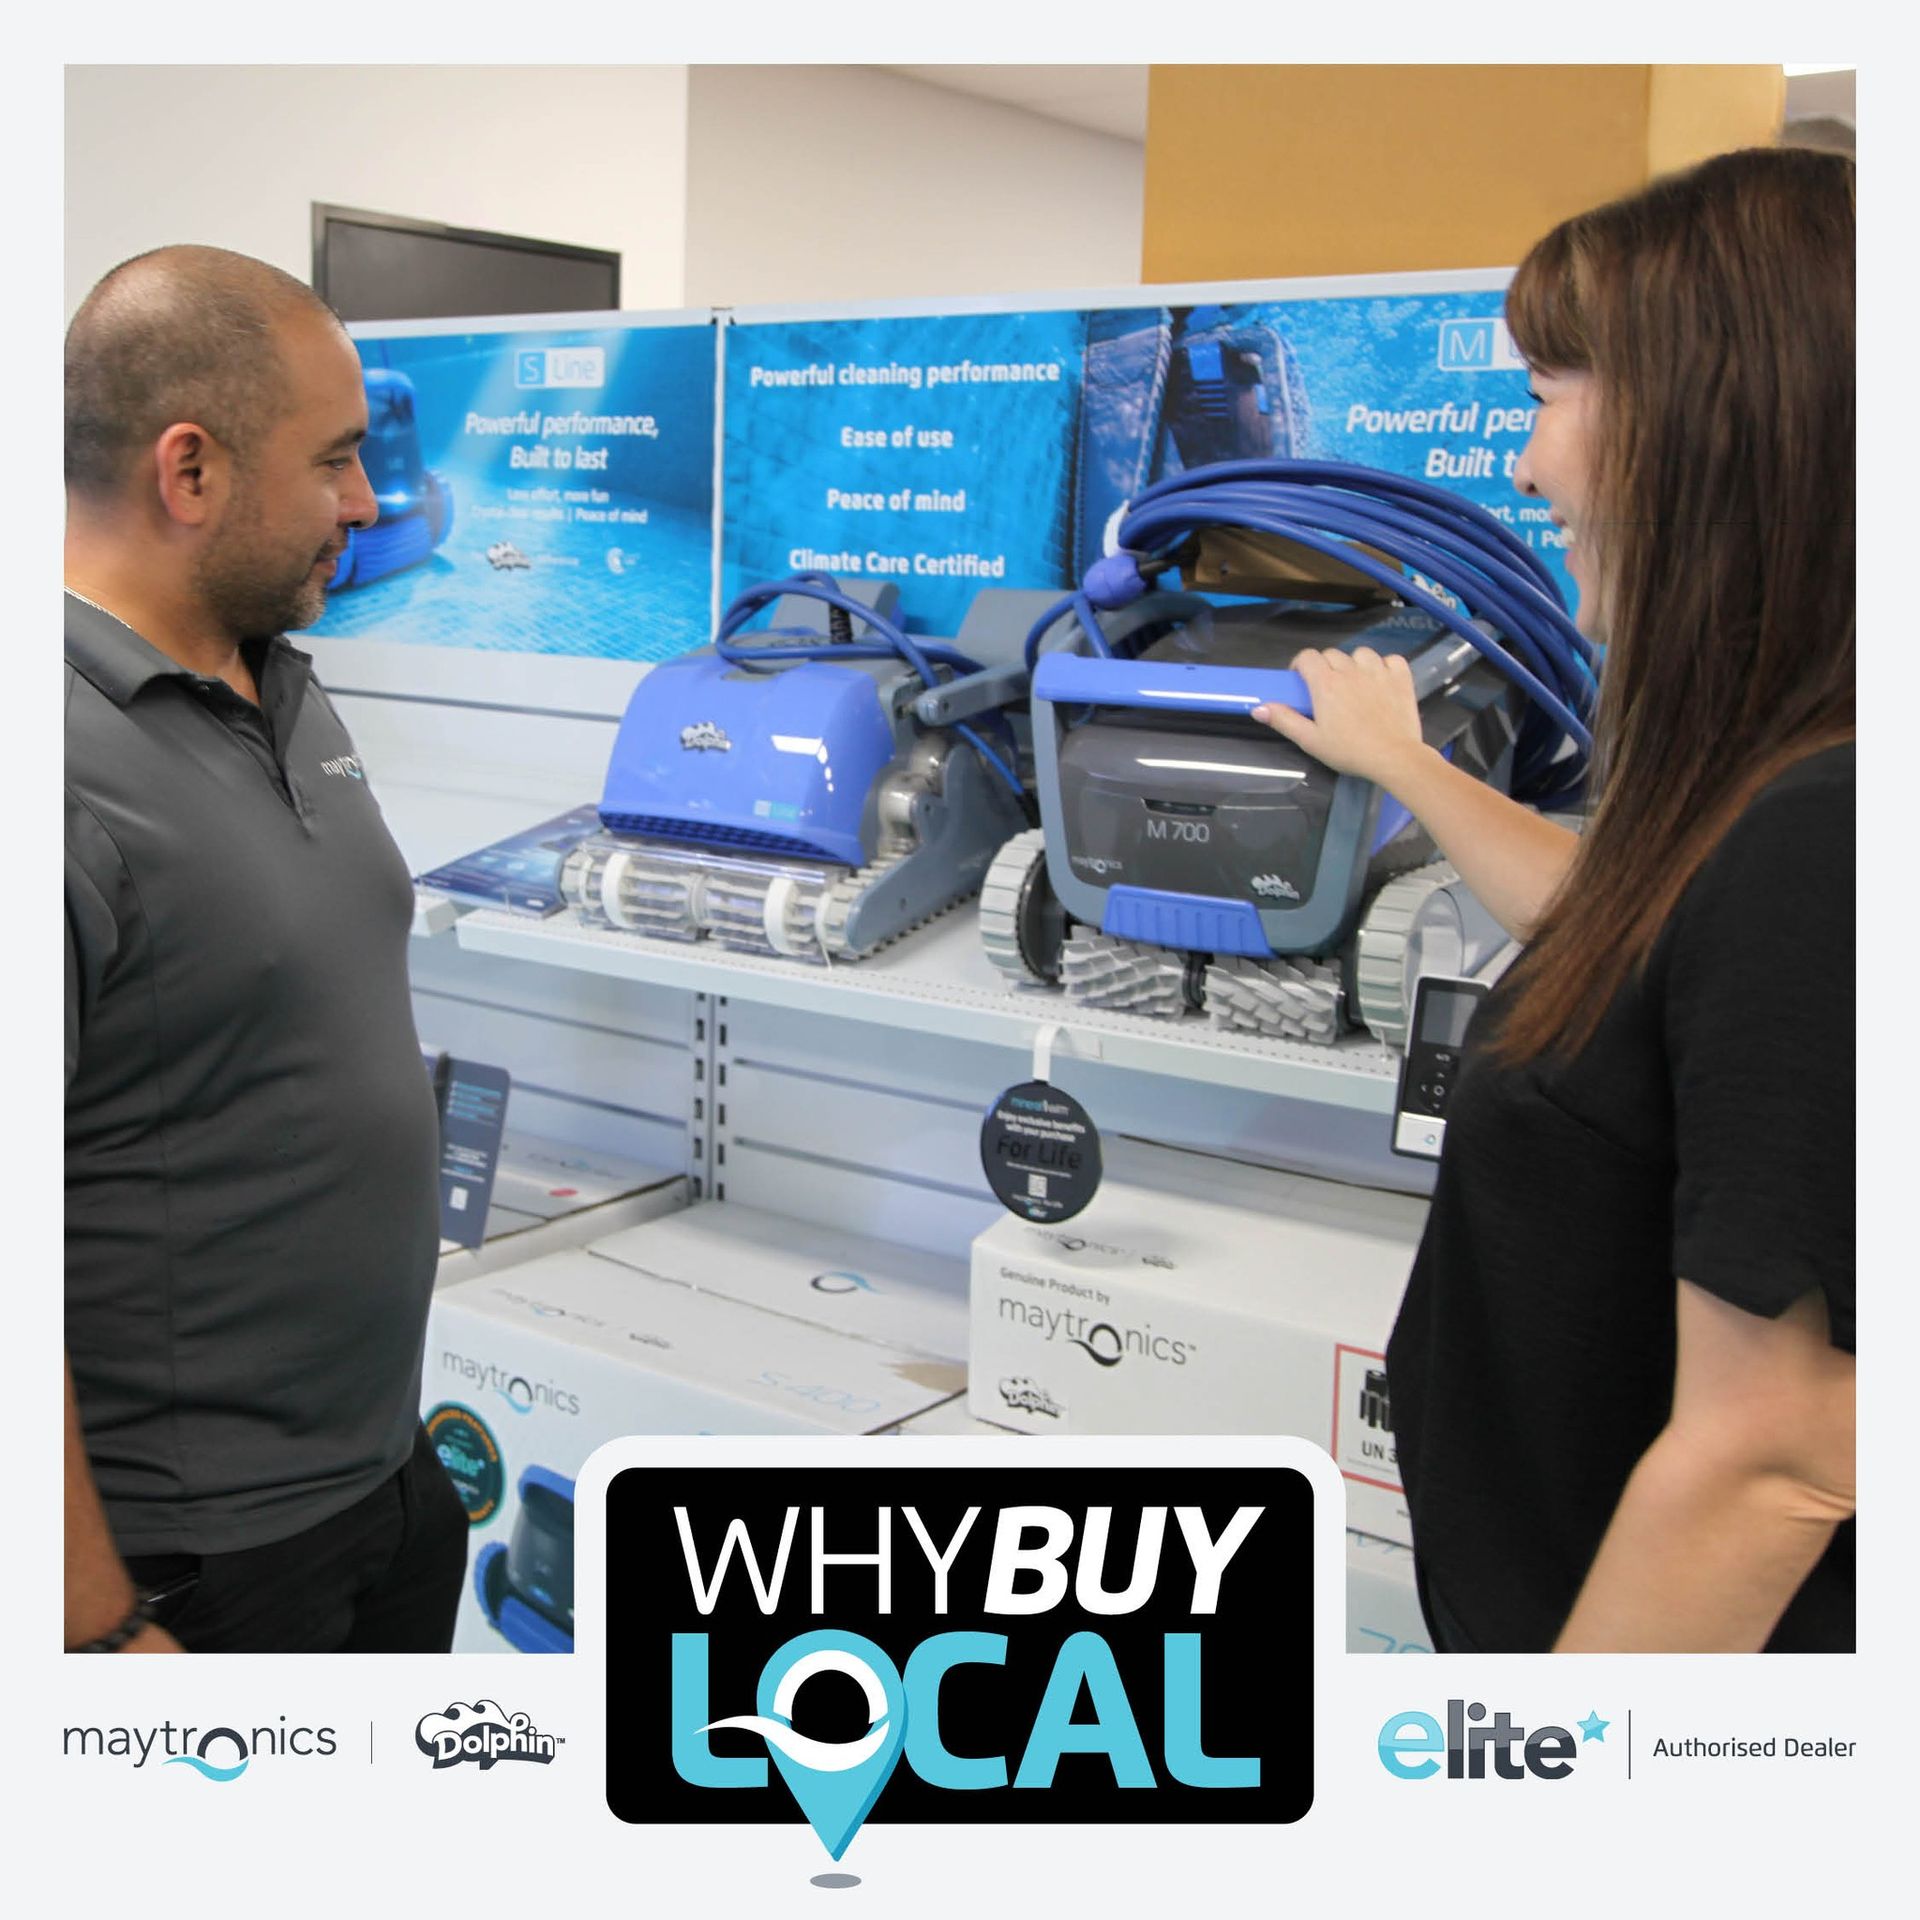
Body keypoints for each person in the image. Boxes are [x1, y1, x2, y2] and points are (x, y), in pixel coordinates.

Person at [1253, 147, 1855, 1652]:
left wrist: (1565, 1786)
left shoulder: (1829, 838)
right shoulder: (1780, 801)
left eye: (1546, 399)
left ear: (1720, 418)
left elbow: (1778, 1457)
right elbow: (1651, 931)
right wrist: (1404, 765)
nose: (1524, 465)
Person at [65, 245, 467, 1652]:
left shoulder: (283, 682)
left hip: (382, 1487)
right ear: (191, 472)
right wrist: (90, 1626)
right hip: (193, 1569)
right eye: (336, 462)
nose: (365, 503)